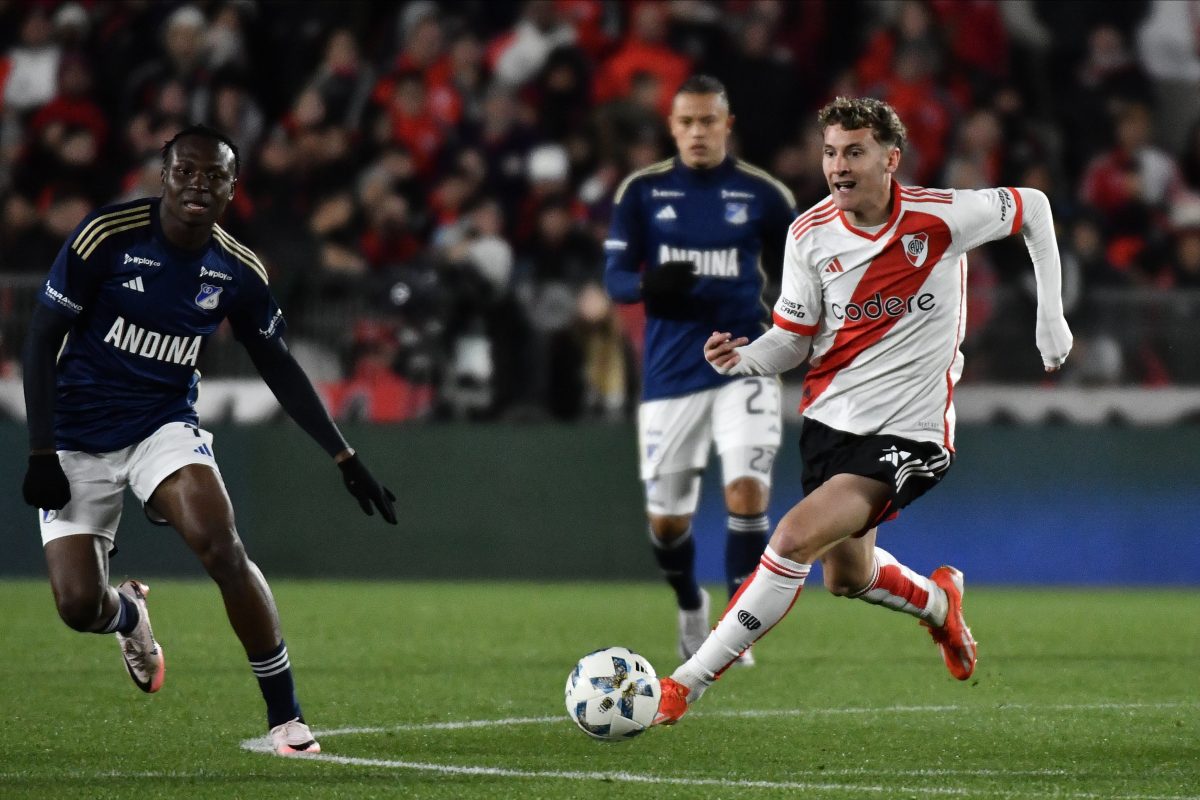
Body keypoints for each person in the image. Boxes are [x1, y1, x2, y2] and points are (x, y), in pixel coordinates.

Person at [654, 96, 1074, 724]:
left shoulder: (942, 217)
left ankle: (683, 685)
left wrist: (1051, 314)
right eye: (830, 153)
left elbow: (1033, 208)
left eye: (854, 152)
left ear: (889, 158)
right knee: (846, 577)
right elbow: (794, 339)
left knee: (792, 537)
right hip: (831, 424)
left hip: (912, 433)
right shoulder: (810, 234)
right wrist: (742, 359)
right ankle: (939, 603)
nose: (838, 166)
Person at [20, 124, 398, 756]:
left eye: (214, 174)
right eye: (186, 171)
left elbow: (278, 365)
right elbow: (38, 339)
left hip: (162, 425)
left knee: (220, 545)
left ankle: (288, 718)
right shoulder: (105, 238)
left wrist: (344, 454)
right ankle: (130, 617)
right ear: (163, 176)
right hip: (77, 435)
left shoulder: (237, 269)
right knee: (78, 605)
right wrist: (40, 451)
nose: (199, 184)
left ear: (232, 187)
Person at [604, 75, 798, 664]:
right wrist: (646, 285)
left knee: (746, 491)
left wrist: (795, 331)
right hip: (670, 372)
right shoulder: (641, 192)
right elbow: (613, 280)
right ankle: (691, 600)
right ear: (672, 127)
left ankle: (736, 628)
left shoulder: (764, 195)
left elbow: (804, 269)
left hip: (747, 360)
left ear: (727, 125)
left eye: (708, 121)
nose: (696, 132)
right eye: (685, 122)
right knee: (667, 523)